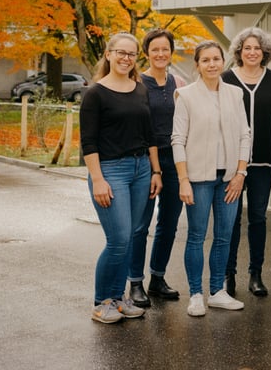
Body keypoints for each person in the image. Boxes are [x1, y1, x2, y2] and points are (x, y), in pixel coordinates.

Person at [80, 32, 159, 324]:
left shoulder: (139, 89)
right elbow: (88, 142)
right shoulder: (95, 93)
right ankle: (101, 302)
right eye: (121, 52)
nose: (126, 58)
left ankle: (118, 298)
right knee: (118, 239)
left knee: (132, 236)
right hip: (110, 170)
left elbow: (148, 135)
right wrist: (98, 179)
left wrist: (155, 171)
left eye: (131, 54)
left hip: (141, 170)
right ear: (109, 54)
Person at [172, 40, 252, 317]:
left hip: (229, 177)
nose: (212, 64)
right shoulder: (186, 96)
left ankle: (217, 291)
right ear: (198, 64)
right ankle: (196, 293)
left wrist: (241, 173)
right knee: (196, 236)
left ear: (223, 61)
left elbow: (245, 134)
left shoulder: (234, 94)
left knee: (224, 236)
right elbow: (178, 140)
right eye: (205, 60)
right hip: (198, 178)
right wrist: (183, 179)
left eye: (216, 59)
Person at [223, 27, 271, 299]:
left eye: (257, 49)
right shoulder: (226, 79)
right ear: (239, 51)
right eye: (247, 48)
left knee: (258, 218)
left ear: (265, 53)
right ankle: (228, 274)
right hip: (231, 162)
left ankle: (256, 274)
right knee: (231, 219)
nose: (252, 52)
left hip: (262, 162)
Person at [127, 29, 186, 307]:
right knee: (140, 225)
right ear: (147, 53)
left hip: (175, 159)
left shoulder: (179, 83)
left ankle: (157, 278)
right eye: (155, 50)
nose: (161, 54)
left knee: (169, 223)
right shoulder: (137, 82)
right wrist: (154, 170)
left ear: (171, 52)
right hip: (147, 161)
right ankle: (135, 282)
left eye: (165, 49)